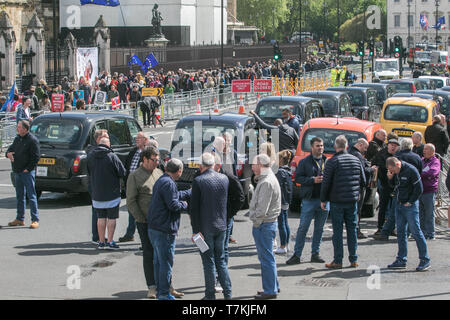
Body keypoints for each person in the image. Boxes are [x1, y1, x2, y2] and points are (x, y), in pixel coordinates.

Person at [190, 153, 232, 300]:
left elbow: (193, 209)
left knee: (208, 262)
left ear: (201, 166)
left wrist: (196, 231)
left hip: (205, 229)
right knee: (221, 260)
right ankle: (228, 293)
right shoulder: (224, 179)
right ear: (214, 165)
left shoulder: (198, 181)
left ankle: (210, 295)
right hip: (221, 227)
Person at [147, 158, 191, 300]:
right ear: (179, 171)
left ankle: (162, 290)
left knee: (158, 262)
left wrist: (187, 193)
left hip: (155, 227)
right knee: (165, 262)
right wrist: (185, 204)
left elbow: (171, 197)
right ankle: (164, 294)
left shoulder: (162, 180)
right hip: (164, 229)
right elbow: (173, 204)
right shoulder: (169, 184)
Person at [320, 135, 365, 269]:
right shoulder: (356, 160)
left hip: (337, 200)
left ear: (335, 146)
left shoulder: (332, 161)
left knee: (338, 232)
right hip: (352, 200)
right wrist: (356, 193)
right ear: (346, 146)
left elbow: (326, 182)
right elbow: (363, 180)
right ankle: (353, 259)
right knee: (352, 230)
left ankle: (338, 260)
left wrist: (323, 199)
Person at [126, 146, 164, 299]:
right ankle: (152, 287)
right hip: (145, 222)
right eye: (154, 160)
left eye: (158, 160)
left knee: (163, 254)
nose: (157, 163)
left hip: (161, 222)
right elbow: (131, 201)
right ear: (145, 160)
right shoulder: (135, 176)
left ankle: (166, 285)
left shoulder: (159, 172)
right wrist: (141, 219)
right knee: (149, 254)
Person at [287, 137, 328, 265]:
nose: (320, 148)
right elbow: (298, 178)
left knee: (319, 229)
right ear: (312, 147)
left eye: (321, 145)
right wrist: (312, 180)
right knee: (303, 228)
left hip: (324, 200)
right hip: (309, 200)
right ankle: (297, 254)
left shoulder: (327, 161)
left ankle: (315, 253)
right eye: (317, 146)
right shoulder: (305, 162)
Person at [385, 157, 430, 272]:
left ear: (397, 164)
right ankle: (401, 259)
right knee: (400, 232)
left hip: (410, 206)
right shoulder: (396, 172)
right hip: (399, 204)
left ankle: (425, 259)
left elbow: (419, 188)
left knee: (416, 232)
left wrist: (411, 201)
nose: (392, 172)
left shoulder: (411, 170)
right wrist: (390, 179)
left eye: (393, 170)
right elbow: (394, 186)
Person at [249, 154, 281, 300]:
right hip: (267, 224)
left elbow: (262, 209)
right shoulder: (266, 179)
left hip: (264, 225)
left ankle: (270, 290)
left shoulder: (266, 182)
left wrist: (255, 221)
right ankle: (273, 286)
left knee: (266, 258)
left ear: (261, 164)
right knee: (268, 257)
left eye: (254, 164)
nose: (252, 167)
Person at [87, 137, 127, 250]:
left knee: (100, 218)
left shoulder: (90, 156)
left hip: (97, 193)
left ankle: (101, 242)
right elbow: (122, 172)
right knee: (112, 218)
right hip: (112, 193)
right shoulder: (111, 156)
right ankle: (110, 241)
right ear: (108, 145)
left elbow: (89, 171)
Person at [6, 120, 40, 229]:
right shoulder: (17, 139)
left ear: (25, 129)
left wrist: (28, 169)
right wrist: (8, 154)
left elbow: (36, 157)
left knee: (31, 195)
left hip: (27, 172)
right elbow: (10, 150)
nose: (17, 129)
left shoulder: (32, 140)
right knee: (19, 196)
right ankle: (20, 218)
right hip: (17, 171)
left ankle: (35, 219)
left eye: (19, 127)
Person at [119, 132, 149, 243]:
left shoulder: (148, 153)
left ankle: (145, 239)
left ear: (145, 140)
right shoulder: (133, 151)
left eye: (139, 139)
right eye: (136, 139)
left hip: (141, 187)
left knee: (143, 211)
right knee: (131, 209)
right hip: (131, 185)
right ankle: (129, 233)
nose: (136, 140)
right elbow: (127, 166)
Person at [372, 139, 400, 235]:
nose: (393, 147)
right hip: (384, 184)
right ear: (388, 145)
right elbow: (374, 164)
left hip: (395, 185)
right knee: (383, 207)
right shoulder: (381, 154)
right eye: (391, 145)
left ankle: (392, 228)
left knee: (394, 208)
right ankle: (380, 228)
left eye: (395, 146)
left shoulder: (398, 156)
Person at [349, 138, 375, 239]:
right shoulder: (357, 155)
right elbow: (362, 171)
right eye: (365, 147)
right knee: (357, 210)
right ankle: (356, 230)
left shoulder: (349, 151)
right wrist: (371, 169)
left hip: (351, 185)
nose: (366, 150)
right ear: (360, 145)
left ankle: (354, 229)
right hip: (358, 186)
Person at [419, 144, 441, 240]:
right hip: (420, 190)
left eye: (426, 149)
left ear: (432, 151)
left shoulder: (435, 161)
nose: (424, 151)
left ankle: (430, 233)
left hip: (429, 190)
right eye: (424, 149)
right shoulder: (422, 160)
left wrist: (421, 174)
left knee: (429, 213)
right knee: (421, 213)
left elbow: (432, 173)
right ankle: (422, 232)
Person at [273, 150, 293, 254]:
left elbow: (277, 187)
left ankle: (283, 246)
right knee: (285, 222)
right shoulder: (288, 170)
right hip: (286, 199)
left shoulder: (280, 172)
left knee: (281, 224)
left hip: (281, 200)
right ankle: (286, 244)